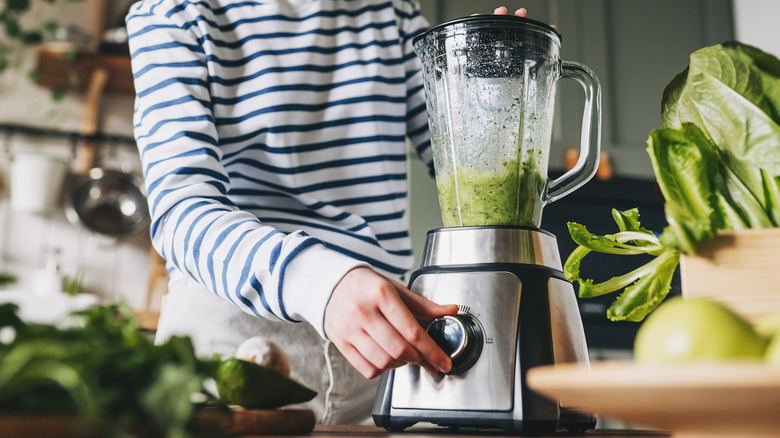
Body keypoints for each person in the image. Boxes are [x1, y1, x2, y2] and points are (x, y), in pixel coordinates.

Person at [126, 1, 529, 424]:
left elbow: (461, 159)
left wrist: (492, 91)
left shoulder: (394, 14)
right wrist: (320, 283)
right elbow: (180, 211)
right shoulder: (172, 14)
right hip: (233, 349)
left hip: (383, 353)